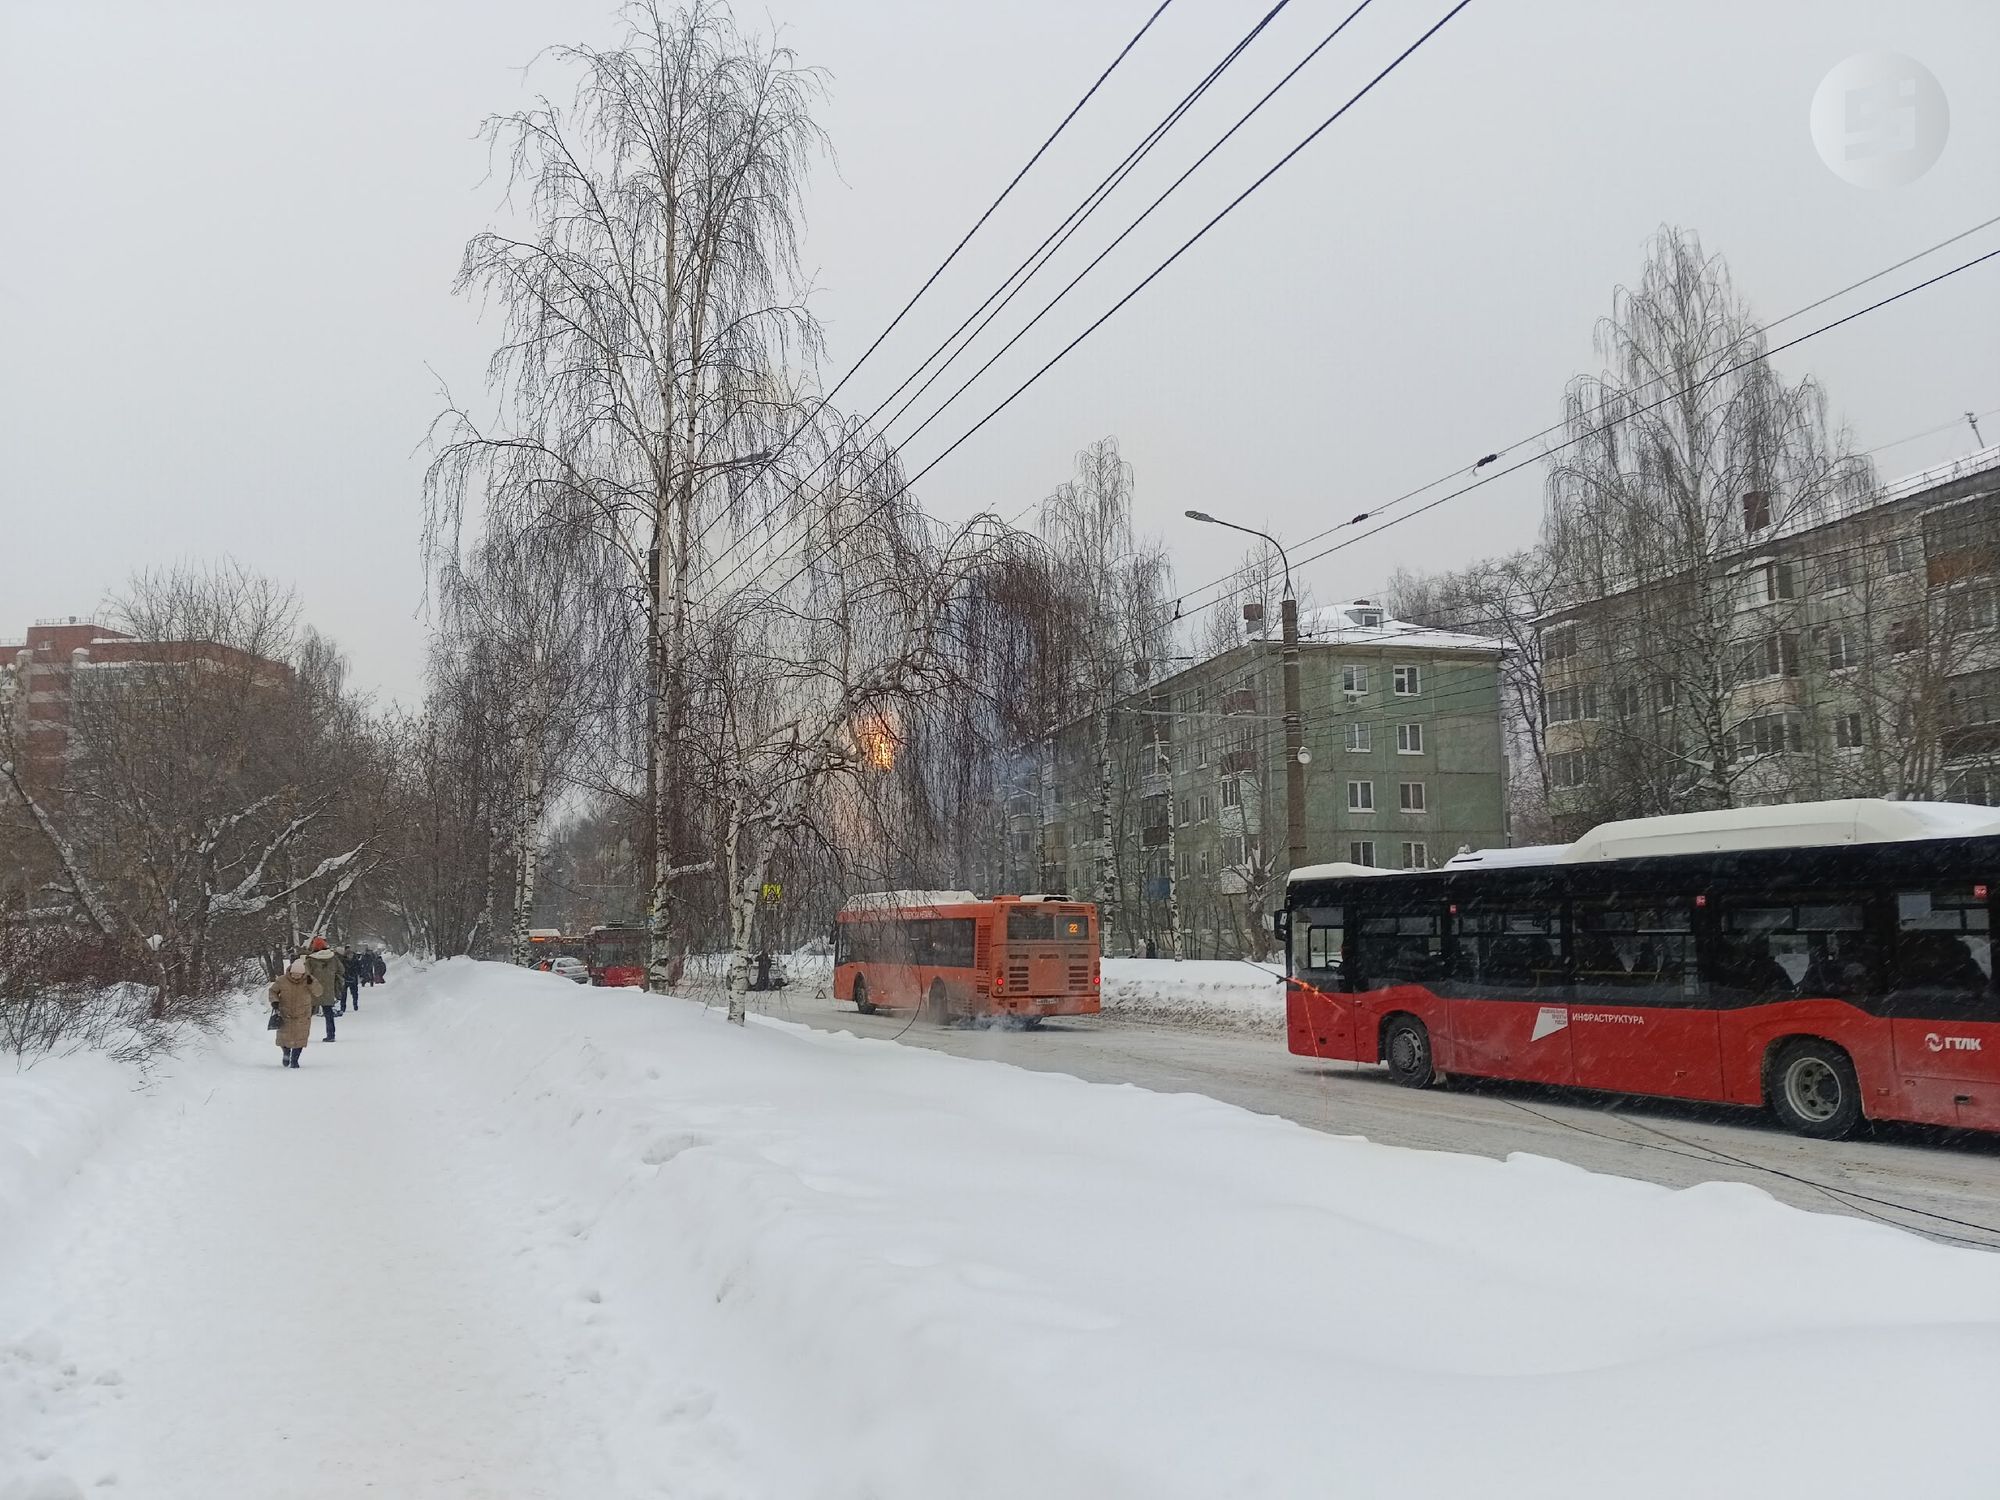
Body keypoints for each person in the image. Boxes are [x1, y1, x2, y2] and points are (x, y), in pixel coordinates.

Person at [269, 958, 316, 1068]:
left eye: (298, 975)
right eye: (293, 974)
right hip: (285, 1013)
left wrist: (312, 983)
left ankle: (295, 1060)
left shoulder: (308, 980)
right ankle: (286, 1054)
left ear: (303, 974)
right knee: (284, 1037)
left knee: (300, 1038)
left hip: (303, 1014)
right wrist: (274, 1001)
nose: (295, 977)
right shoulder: (282, 980)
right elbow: (272, 991)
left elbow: (318, 992)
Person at [303, 937, 342, 1042]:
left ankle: (302, 1035)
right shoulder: (333, 958)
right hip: (328, 990)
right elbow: (341, 970)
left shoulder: (310, 960)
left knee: (307, 1014)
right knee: (328, 1013)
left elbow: (305, 974)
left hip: (314, 989)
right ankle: (331, 1035)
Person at [339, 945, 364, 1014]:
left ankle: (355, 1004)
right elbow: (340, 969)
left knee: (354, 993)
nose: (350, 956)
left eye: (351, 954)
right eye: (349, 955)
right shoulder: (342, 961)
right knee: (343, 994)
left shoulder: (355, 961)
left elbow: (359, 968)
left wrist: (361, 974)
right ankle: (343, 1007)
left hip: (353, 978)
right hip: (345, 978)